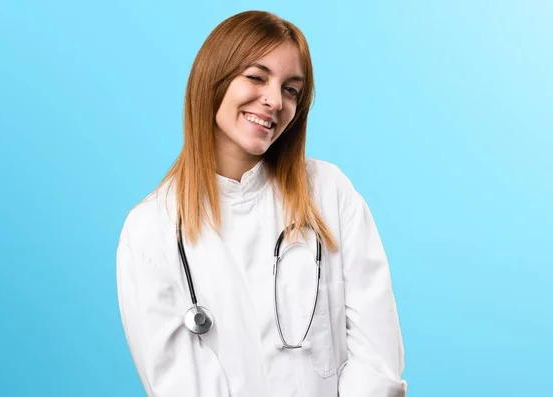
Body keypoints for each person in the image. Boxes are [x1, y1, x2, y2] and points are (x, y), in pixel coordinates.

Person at [116, 10, 407, 397]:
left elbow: (377, 354)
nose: (274, 100)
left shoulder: (329, 192)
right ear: (213, 78)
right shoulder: (151, 229)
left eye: (291, 90)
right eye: (256, 77)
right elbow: (178, 382)